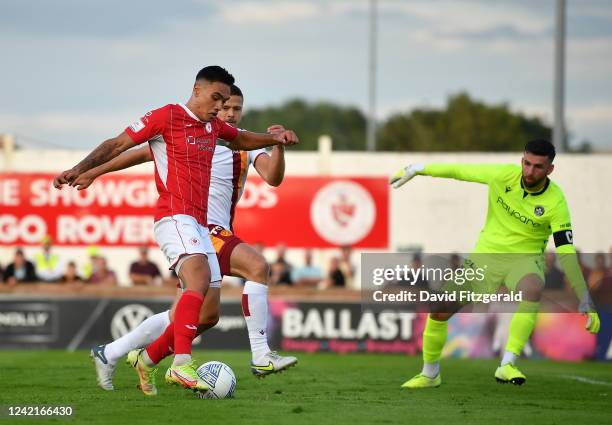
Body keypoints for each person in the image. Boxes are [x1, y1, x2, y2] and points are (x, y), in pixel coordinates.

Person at [63, 81, 298, 393]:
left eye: (234, 107)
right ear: (202, 93)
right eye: (222, 105)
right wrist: (92, 171)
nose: (226, 112)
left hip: (205, 231)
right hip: (194, 227)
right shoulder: (184, 129)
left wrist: (275, 142)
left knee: (200, 315)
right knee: (256, 267)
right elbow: (137, 153)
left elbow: (273, 176)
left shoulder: (234, 146)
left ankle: (123, 354)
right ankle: (257, 355)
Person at [390, 139, 600, 388]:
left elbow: (566, 252)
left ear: (550, 170)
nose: (530, 171)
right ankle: (430, 374)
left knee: (532, 287)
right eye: (527, 163)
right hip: (485, 258)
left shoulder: (556, 202)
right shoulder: (503, 176)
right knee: (439, 309)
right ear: (522, 160)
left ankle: (507, 363)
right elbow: (459, 172)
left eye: (538, 167)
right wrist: (418, 168)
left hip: (524, 261)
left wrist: (584, 295)